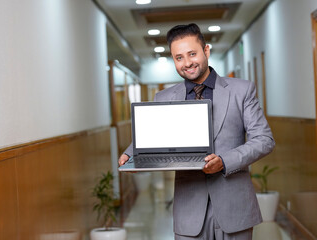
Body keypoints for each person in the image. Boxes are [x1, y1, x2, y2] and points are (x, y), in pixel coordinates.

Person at [118, 23, 275, 240]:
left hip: (234, 206)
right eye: (179, 57)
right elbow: (155, 135)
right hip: (189, 209)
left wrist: (224, 161)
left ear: (206, 51)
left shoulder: (241, 90)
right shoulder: (164, 98)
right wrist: (131, 153)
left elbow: (264, 140)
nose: (187, 63)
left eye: (192, 54)